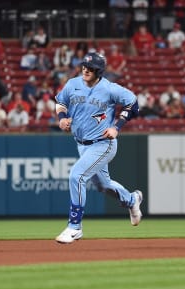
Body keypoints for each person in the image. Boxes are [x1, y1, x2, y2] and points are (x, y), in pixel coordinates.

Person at [54, 52, 143, 244]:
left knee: (76, 175)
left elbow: (134, 103)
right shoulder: (72, 84)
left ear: (99, 70)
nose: (85, 69)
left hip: (103, 143)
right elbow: (60, 103)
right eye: (84, 66)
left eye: (90, 67)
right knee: (103, 185)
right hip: (82, 144)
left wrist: (117, 127)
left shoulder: (109, 89)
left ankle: (74, 227)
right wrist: (62, 119)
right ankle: (131, 200)